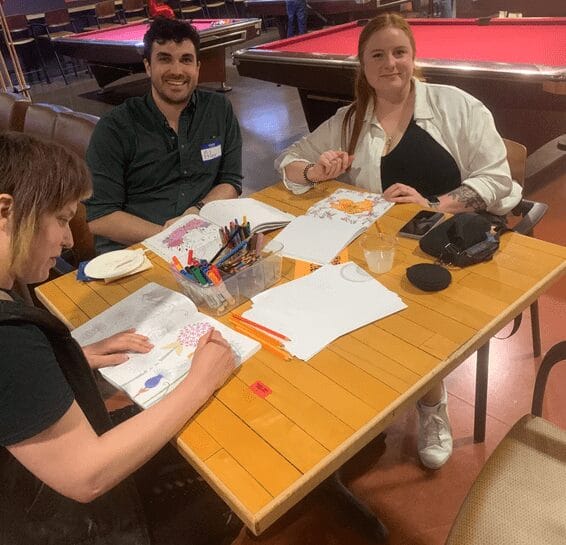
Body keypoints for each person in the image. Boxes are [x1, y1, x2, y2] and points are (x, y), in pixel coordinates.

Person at [275, 13, 522, 469]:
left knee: (418, 313)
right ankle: (372, 388)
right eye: (378, 55)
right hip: (383, 246)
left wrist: (432, 202)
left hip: (451, 246)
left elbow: (496, 179)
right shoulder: (349, 119)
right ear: (363, 66)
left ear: (413, 57)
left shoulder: (457, 106)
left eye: (399, 52)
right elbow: (288, 159)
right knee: (323, 296)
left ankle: (432, 403)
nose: (390, 63)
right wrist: (313, 170)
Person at [0, 132, 237, 544]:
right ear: (6, 211)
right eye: (60, 218)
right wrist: (202, 380)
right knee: (227, 484)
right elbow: (86, 475)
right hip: (61, 524)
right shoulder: (9, 339)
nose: (69, 240)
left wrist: (71, 358)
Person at [86, 17, 243, 255]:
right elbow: (101, 217)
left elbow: (231, 181)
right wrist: (167, 235)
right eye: (165, 59)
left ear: (198, 67)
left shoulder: (219, 110)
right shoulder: (115, 127)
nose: (177, 71)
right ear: (148, 66)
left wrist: (196, 211)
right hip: (136, 252)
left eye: (186, 60)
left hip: (203, 241)